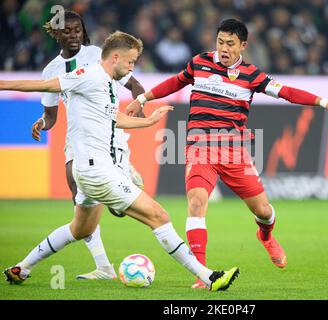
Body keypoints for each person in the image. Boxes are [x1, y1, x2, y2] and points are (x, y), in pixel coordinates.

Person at [1, 30, 239, 291]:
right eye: (131, 61)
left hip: (91, 170)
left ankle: (22, 267)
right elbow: (42, 85)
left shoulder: (104, 83)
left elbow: (114, 118)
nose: (132, 67)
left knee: (79, 229)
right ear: (115, 57)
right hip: (98, 172)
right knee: (159, 215)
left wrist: (148, 121)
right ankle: (209, 277)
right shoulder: (88, 76)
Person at [129, 19, 328, 289]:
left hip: (233, 152)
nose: (223, 49)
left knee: (263, 211)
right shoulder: (199, 63)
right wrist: (142, 98)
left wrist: (324, 102)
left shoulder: (252, 76)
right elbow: (176, 82)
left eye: (230, 44)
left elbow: (286, 92)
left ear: (243, 45)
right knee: (196, 202)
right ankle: (201, 274)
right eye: (220, 42)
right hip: (199, 147)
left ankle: (266, 236)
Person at [30, 10, 145, 281]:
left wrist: (139, 103)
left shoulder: (97, 55)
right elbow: (51, 117)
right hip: (78, 136)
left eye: (77, 30)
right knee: (77, 194)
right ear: (57, 34)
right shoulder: (52, 70)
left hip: (108, 130)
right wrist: (41, 124)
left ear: (83, 32)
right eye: (67, 30)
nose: (73, 35)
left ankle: (123, 170)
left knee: (118, 207)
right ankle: (104, 267)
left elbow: (135, 84)